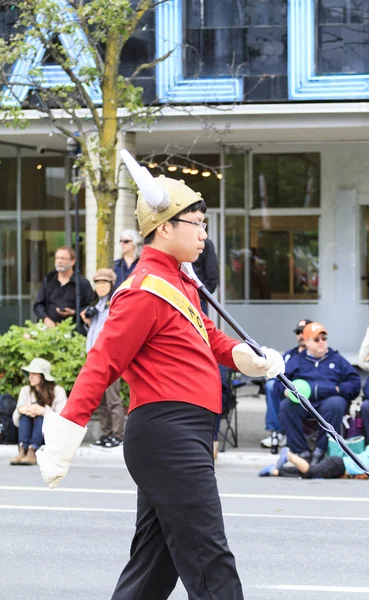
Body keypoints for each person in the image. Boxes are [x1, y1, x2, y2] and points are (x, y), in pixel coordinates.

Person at [37, 155, 285, 600]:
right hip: (168, 433)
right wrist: (67, 431)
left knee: (153, 570)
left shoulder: (181, 283)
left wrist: (251, 358)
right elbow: (102, 361)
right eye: (197, 223)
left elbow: (211, 340)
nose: (205, 234)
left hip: (181, 432)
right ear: (165, 227)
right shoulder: (142, 289)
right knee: (211, 561)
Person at [277, 322, 361, 465]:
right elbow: (279, 382)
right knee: (286, 407)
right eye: (316, 339)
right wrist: (285, 390)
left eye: (324, 338)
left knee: (336, 404)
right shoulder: (296, 361)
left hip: (328, 399)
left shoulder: (337, 360)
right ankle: (301, 451)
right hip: (303, 401)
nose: (321, 342)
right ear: (307, 341)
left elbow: (354, 382)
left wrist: (338, 389)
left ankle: (320, 450)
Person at [81, 268, 125, 449]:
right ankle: (106, 433)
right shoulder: (96, 306)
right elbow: (95, 332)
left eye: (104, 283)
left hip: (109, 358)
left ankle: (118, 435)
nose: (100, 286)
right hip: (94, 357)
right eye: (97, 283)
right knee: (101, 400)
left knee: (113, 397)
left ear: (111, 284)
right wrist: (88, 323)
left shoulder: (115, 305)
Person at [260, 318, 312, 449]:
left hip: (308, 391)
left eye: (303, 331)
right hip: (287, 390)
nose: (300, 335)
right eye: (298, 332)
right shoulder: (289, 355)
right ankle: (276, 432)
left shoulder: (316, 353)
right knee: (271, 386)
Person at [259, 434, 369, 479]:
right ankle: (289, 455)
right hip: (338, 466)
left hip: (337, 463)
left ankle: (275, 471)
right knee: (310, 472)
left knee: (309, 472)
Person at [10, 358, 67, 466]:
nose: (30, 376)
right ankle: (23, 449)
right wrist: (21, 410)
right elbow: (15, 421)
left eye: (35, 374)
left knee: (40, 417)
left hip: (49, 437)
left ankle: (33, 450)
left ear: (43, 376)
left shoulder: (58, 391)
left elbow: (62, 420)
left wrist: (43, 411)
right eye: (30, 373)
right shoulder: (25, 390)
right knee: (25, 416)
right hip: (28, 429)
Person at [33, 246, 95, 334]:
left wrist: (74, 312)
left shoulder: (82, 283)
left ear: (72, 261)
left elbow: (91, 307)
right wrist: (46, 319)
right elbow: (38, 305)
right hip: (48, 328)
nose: (59, 261)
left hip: (74, 329)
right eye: (57, 258)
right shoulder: (49, 280)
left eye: (63, 258)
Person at [193, 237, 219, 314]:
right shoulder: (175, 242)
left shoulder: (205, 244)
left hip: (197, 301)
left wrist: (199, 295)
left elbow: (212, 278)